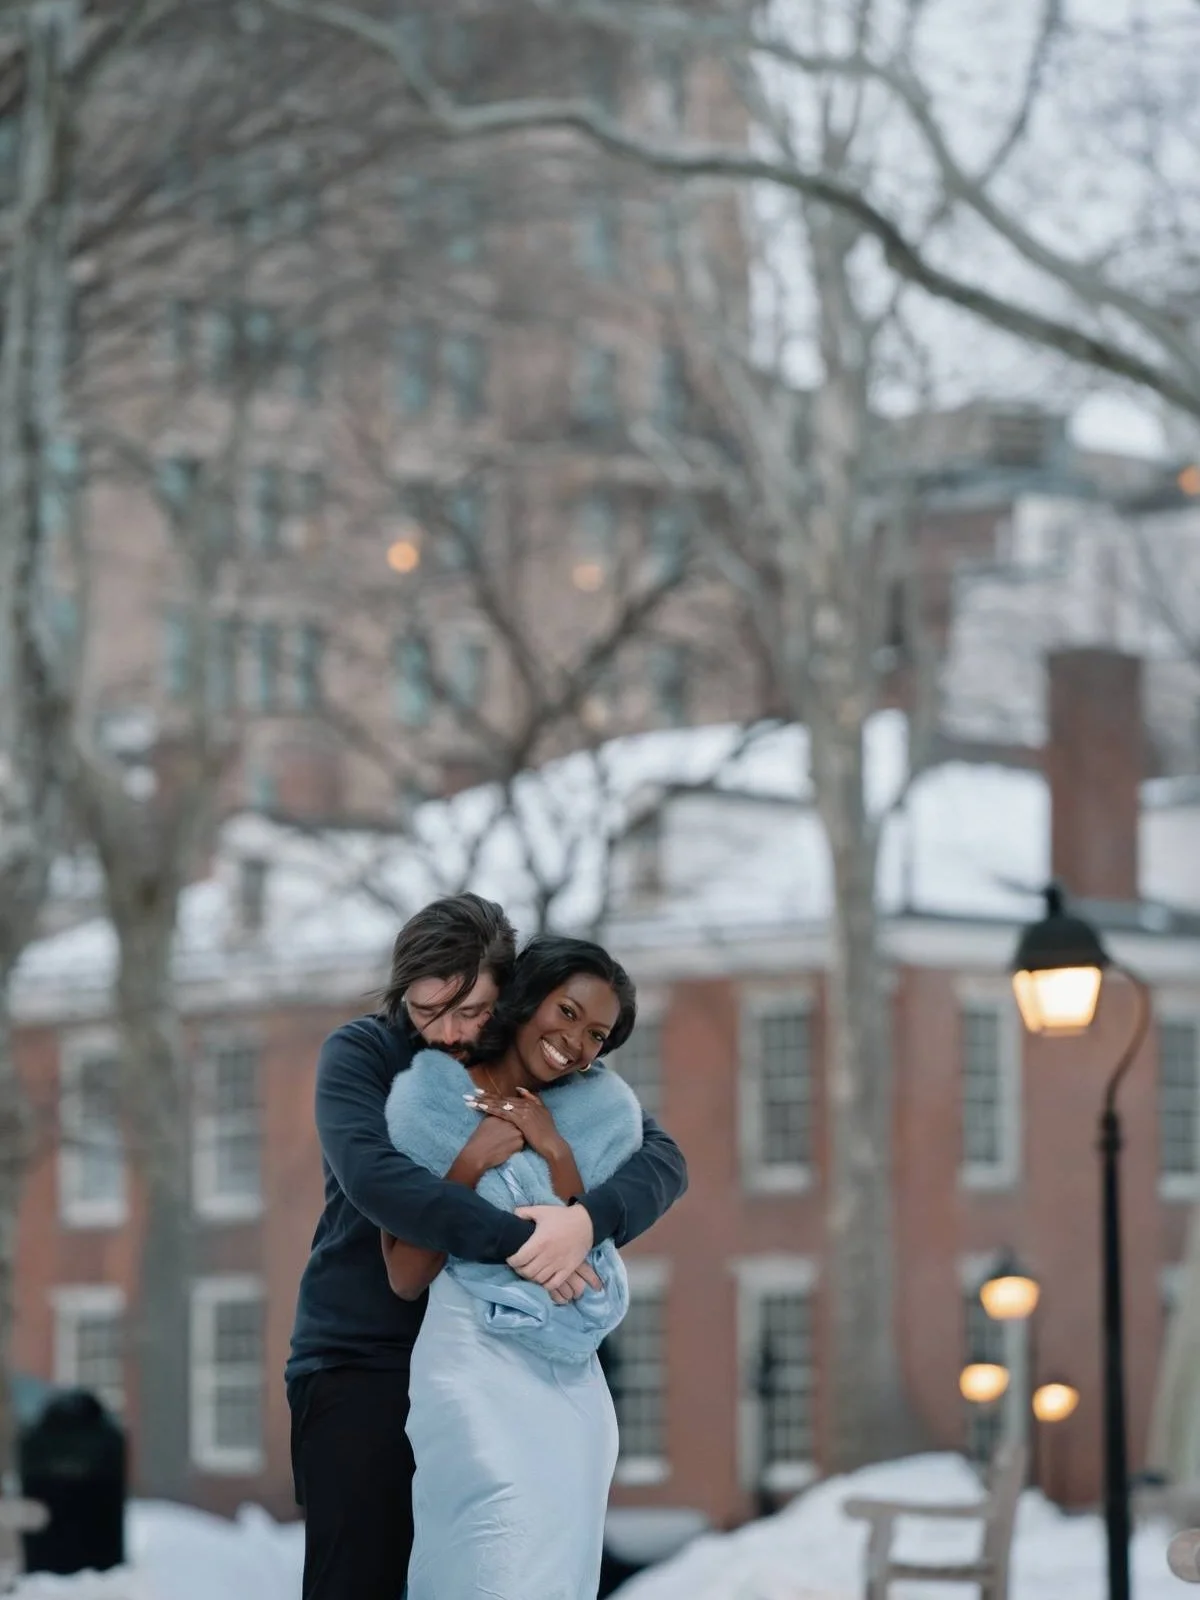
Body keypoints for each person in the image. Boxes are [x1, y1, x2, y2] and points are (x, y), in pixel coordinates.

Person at [286, 895, 687, 1600]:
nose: (448, 1031)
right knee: (361, 1579)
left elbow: (662, 1160)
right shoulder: (366, 1057)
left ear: (508, 994)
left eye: (470, 1011)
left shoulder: (549, 1073)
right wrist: (530, 1243)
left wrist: (584, 1223)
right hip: (364, 1360)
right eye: (427, 1010)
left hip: (499, 1364)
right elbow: (380, 1184)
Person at [382, 934, 646, 1600]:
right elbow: (405, 1274)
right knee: (486, 1561)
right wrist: (472, 1159)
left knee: (556, 1570)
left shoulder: (597, 1117)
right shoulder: (424, 1103)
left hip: (571, 1380)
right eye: (567, 1012)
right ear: (526, 998)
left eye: (596, 1035)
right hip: (473, 1365)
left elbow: (586, 1254)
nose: (575, 1043)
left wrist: (554, 1148)